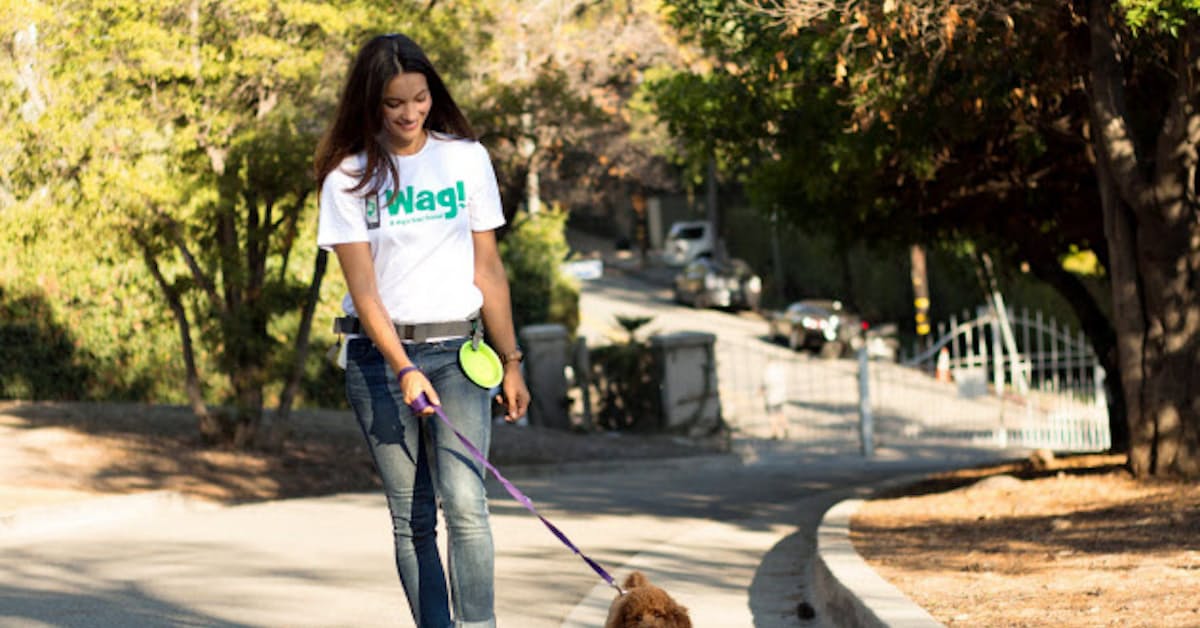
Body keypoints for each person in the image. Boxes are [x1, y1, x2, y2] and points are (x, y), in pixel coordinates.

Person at [314, 33, 530, 628]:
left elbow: (488, 268)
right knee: (412, 518)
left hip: (459, 354)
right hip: (378, 363)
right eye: (393, 104)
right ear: (370, 105)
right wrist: (403, 367)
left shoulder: (465, 158)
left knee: (466, 504)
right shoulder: (348, 177)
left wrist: (511, 360)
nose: (409, 114)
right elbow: (365, 291)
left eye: (419, 98)